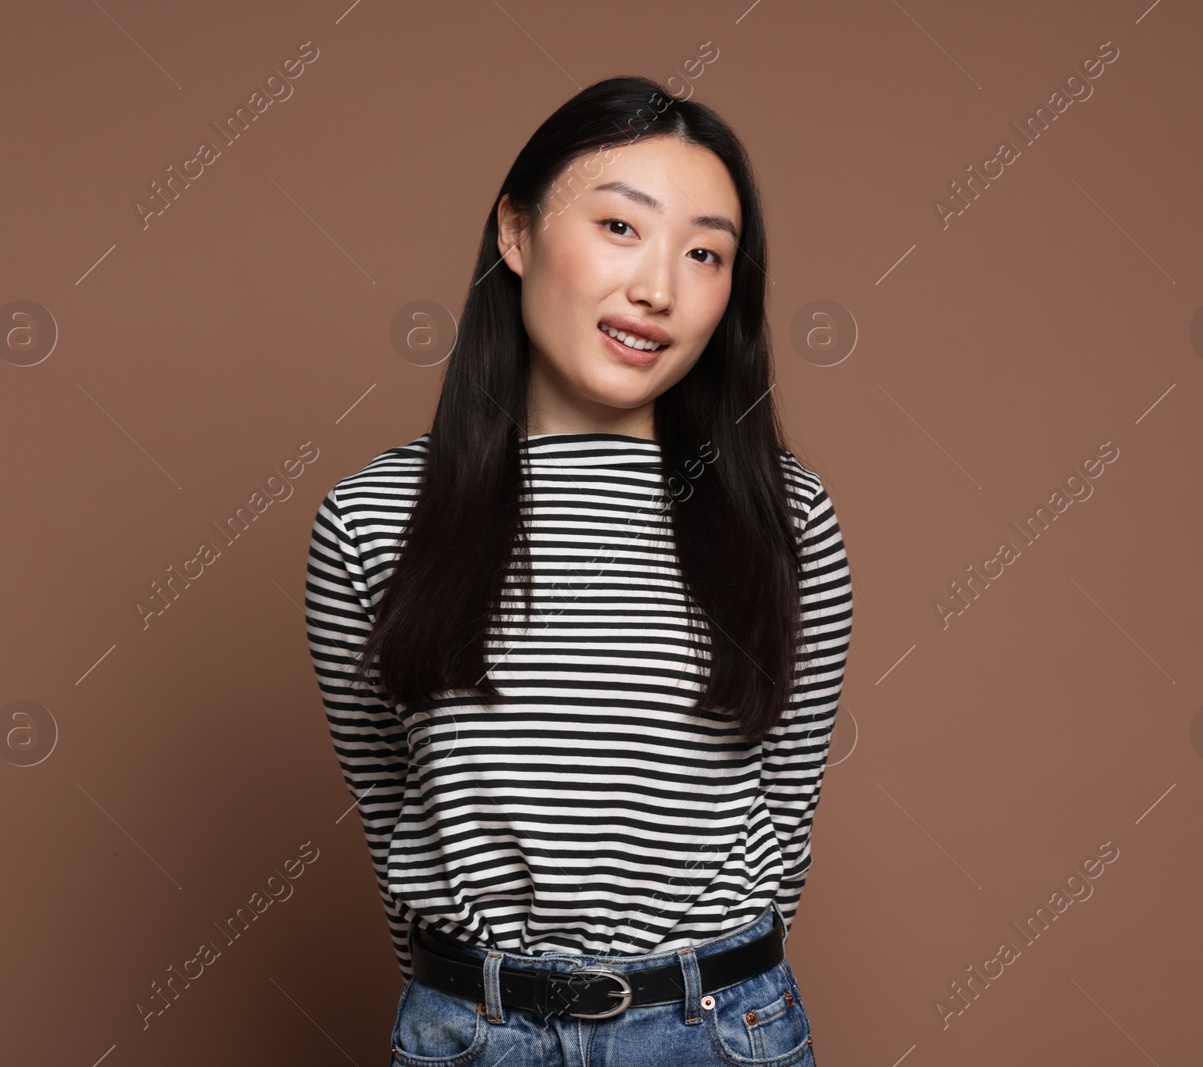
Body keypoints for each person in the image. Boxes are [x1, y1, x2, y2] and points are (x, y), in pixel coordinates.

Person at [304, 74, 852, 1067]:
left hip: (717, 1028)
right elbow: (394, 809)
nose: (658, 288)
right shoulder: (374, 517)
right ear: (515, 234)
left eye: (704, 253)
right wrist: (480, 995)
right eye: (619, 227)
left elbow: (787, 808)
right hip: (472, 1031)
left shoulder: (782, 517)